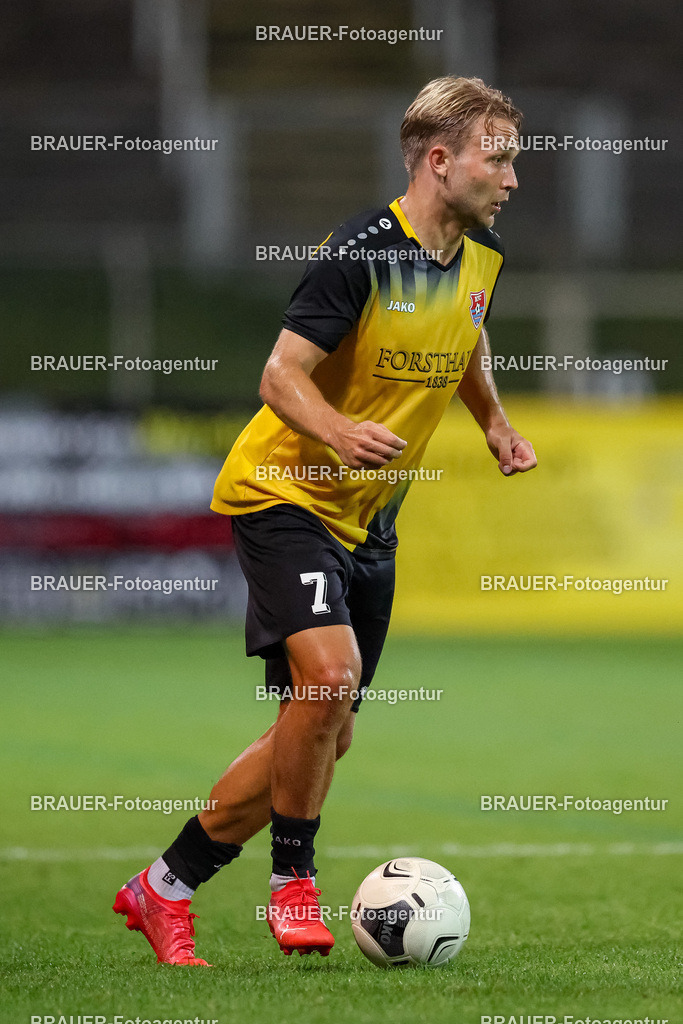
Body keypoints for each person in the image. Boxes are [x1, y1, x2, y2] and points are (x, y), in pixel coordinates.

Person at [113, 74, 537, 965]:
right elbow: (278, 376)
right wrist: (339, 430)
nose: (510, 176)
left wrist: (492, 421)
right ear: (437, 160)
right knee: (329, 677)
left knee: (319, 728)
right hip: (285, 493)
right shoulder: (361, 252)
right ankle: (291, 884)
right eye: (496, 157)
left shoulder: (481, 258)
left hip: (368, 523)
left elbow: (467, 335)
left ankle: (164, 887)